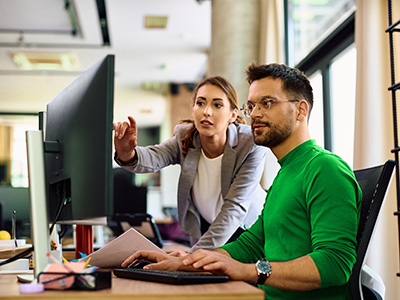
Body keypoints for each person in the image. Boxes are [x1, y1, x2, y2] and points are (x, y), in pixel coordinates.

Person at [121, 63, 362, 300]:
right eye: (252, 106)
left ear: (300, 110)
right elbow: (251, 244)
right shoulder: (284, 174)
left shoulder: (325, 168)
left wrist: (249, 271)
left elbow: (335, 264)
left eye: (267, 103)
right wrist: (185, 262)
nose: (255, 114)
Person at [113, 76, 267, 251]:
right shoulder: (186, 137)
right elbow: (154, 157)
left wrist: (192, 256)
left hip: (247, 231)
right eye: (200, 103)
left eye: (217, 105)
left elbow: (235, 207)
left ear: (232, 115)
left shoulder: (250, 144)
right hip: (207, 229)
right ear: (193, 110)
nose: (206, 111)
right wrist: (127, 152)